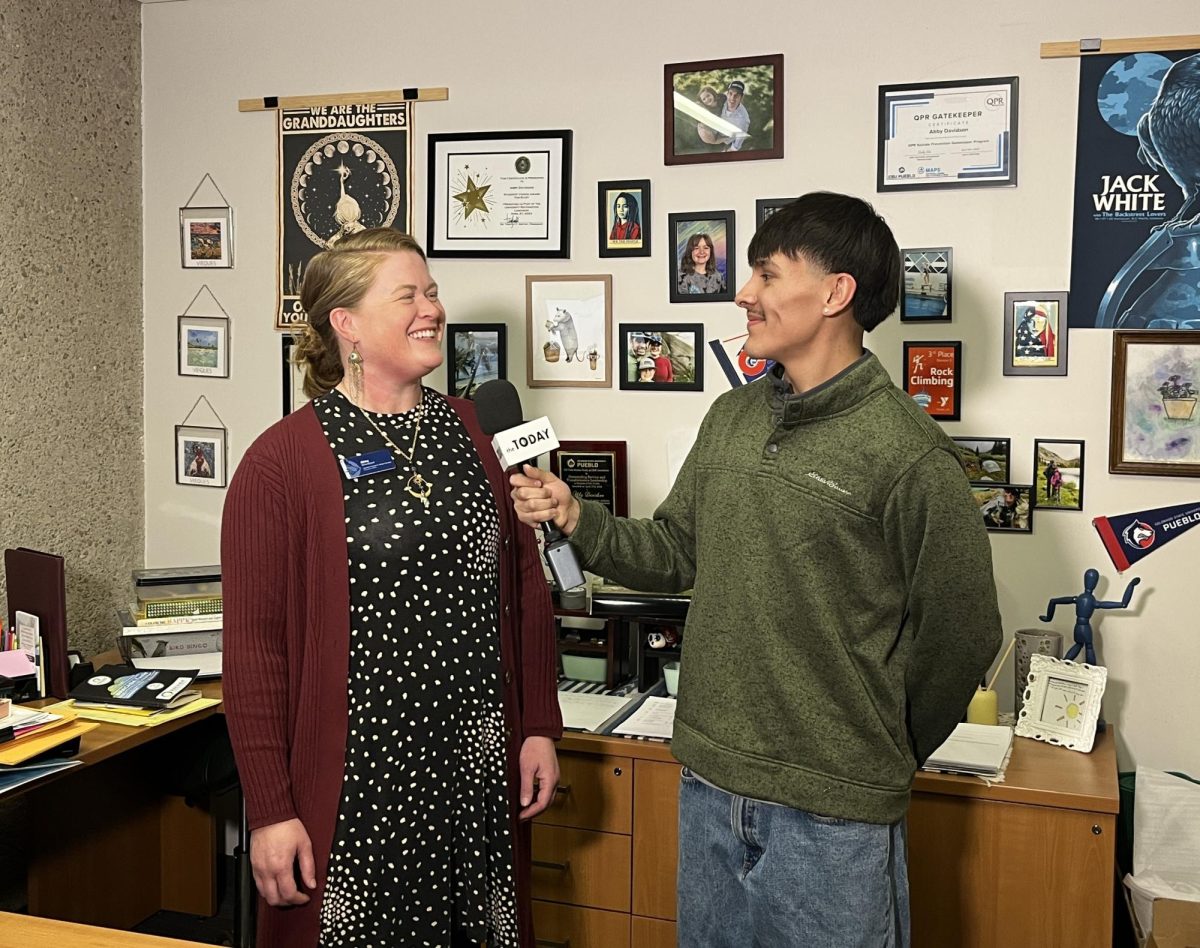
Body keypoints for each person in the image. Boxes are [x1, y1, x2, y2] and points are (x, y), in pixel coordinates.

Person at [510, 191, 1002, 945]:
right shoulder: (732, 418)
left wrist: (876, 751)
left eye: (768, 276)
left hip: (833, 821)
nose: (744, 294)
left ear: (836, 292)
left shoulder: (908, 453)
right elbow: (676, 551)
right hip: (709, 782)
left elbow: (965, 632)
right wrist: (579, 518)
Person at [221, 227, 562, 948]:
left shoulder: (479, 431)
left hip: (474, 775)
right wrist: (272, 809)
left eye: (432, 291)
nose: (430, 308)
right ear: (345, 325)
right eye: (407, 294)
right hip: (356, 789)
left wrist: (537, 726)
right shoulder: (281, 463)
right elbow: (253, 653)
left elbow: (526, 589)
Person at [717, 79, 751, 151]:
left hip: (725, 143)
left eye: (736, 95)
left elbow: (736, 146)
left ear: (741, 97)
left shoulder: (743, 119)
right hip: (714, 133)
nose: (732, 98)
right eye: (730, 93)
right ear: (727, 93)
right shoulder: (721, 100)